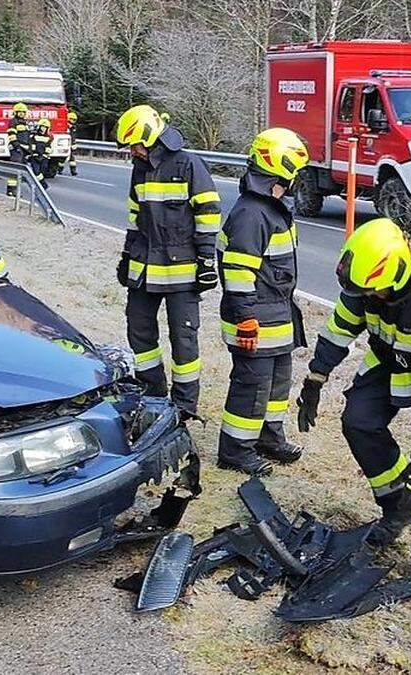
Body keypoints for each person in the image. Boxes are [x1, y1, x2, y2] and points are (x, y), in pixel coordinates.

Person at [295, 218, 411, 584]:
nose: (365, 299)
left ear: (394, 279)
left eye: (371, 293)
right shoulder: (366, 283)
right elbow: (340, 328)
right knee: (358, 421)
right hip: (390, 358)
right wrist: (316, 377)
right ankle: (396, 509)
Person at [115, 104, 221, 417]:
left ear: (149, 139)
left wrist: (206, 260)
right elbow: (135, 216)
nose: (132, 152)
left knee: (183, 340)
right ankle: (153, 395)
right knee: (139, 331)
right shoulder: (140, 168)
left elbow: (209, 212)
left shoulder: (188, 164)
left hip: (182, 271)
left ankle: (185, 407)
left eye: (134, 145)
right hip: (145, 268)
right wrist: (126, 254)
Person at [216, 128, 310, 476]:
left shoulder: (272, 207)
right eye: (296, 170)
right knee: (251, 386)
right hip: (254, 317)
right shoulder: (252, 214)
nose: (299, 177)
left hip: (276, 313)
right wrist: (246, 319)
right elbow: (238, 272)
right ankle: (235, 451)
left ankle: (268, 438)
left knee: (276, 384)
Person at [6, 102, 32, 197]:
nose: (21, 114)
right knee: (15, 169)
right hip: (16, 148)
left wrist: (29, 149)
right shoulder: (13, 122)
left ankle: (15, 190)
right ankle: (11, 190)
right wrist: (16, 146)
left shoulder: (25, 123)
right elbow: (11, 135)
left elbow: (27, 136)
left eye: (23, 112)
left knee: (20, 170)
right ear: (15, 112)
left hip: (23, 149)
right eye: (19, 112)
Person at [28, 117, 54, 189]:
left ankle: (39, 186)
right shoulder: (33, 136)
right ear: (39, 127)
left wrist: (45, 155)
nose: (43, 128)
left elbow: (49, 147)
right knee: (36, 172)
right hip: (35, 157)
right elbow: (31, 146)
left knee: (42, 171)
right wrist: (34, 154)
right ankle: (44, 185)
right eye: (42, 127)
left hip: (44, 157)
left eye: (45, 127)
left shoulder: (49, 137)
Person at [65, 110, 79, 176]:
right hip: (64, 143)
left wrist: (74, 143)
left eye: (74, 120)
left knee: (72, 159)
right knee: (62, 159)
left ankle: (73, 170)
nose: (73, 121)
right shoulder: (65, 126)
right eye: (71, 119)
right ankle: (59, 169)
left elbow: (73, 136)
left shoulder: (74, 127)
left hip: (70, 144)